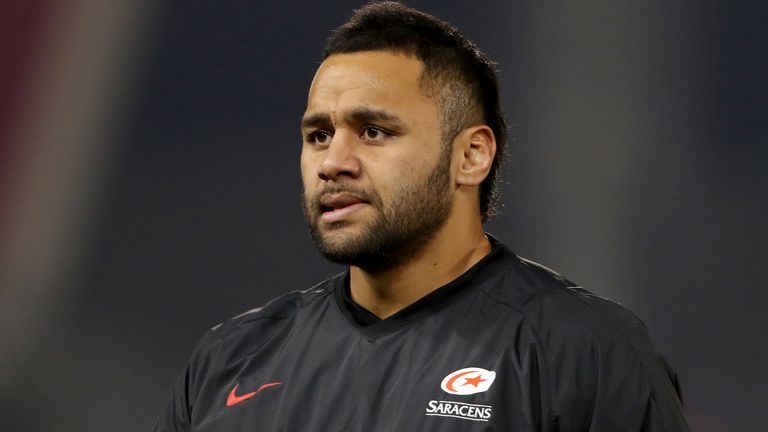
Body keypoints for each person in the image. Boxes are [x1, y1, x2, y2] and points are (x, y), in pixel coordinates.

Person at [154, 2, 689, 431]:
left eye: (374, 132)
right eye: (319, 135)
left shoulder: (582, 352)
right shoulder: (232, 359)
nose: (333, 163)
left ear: (472, 155)